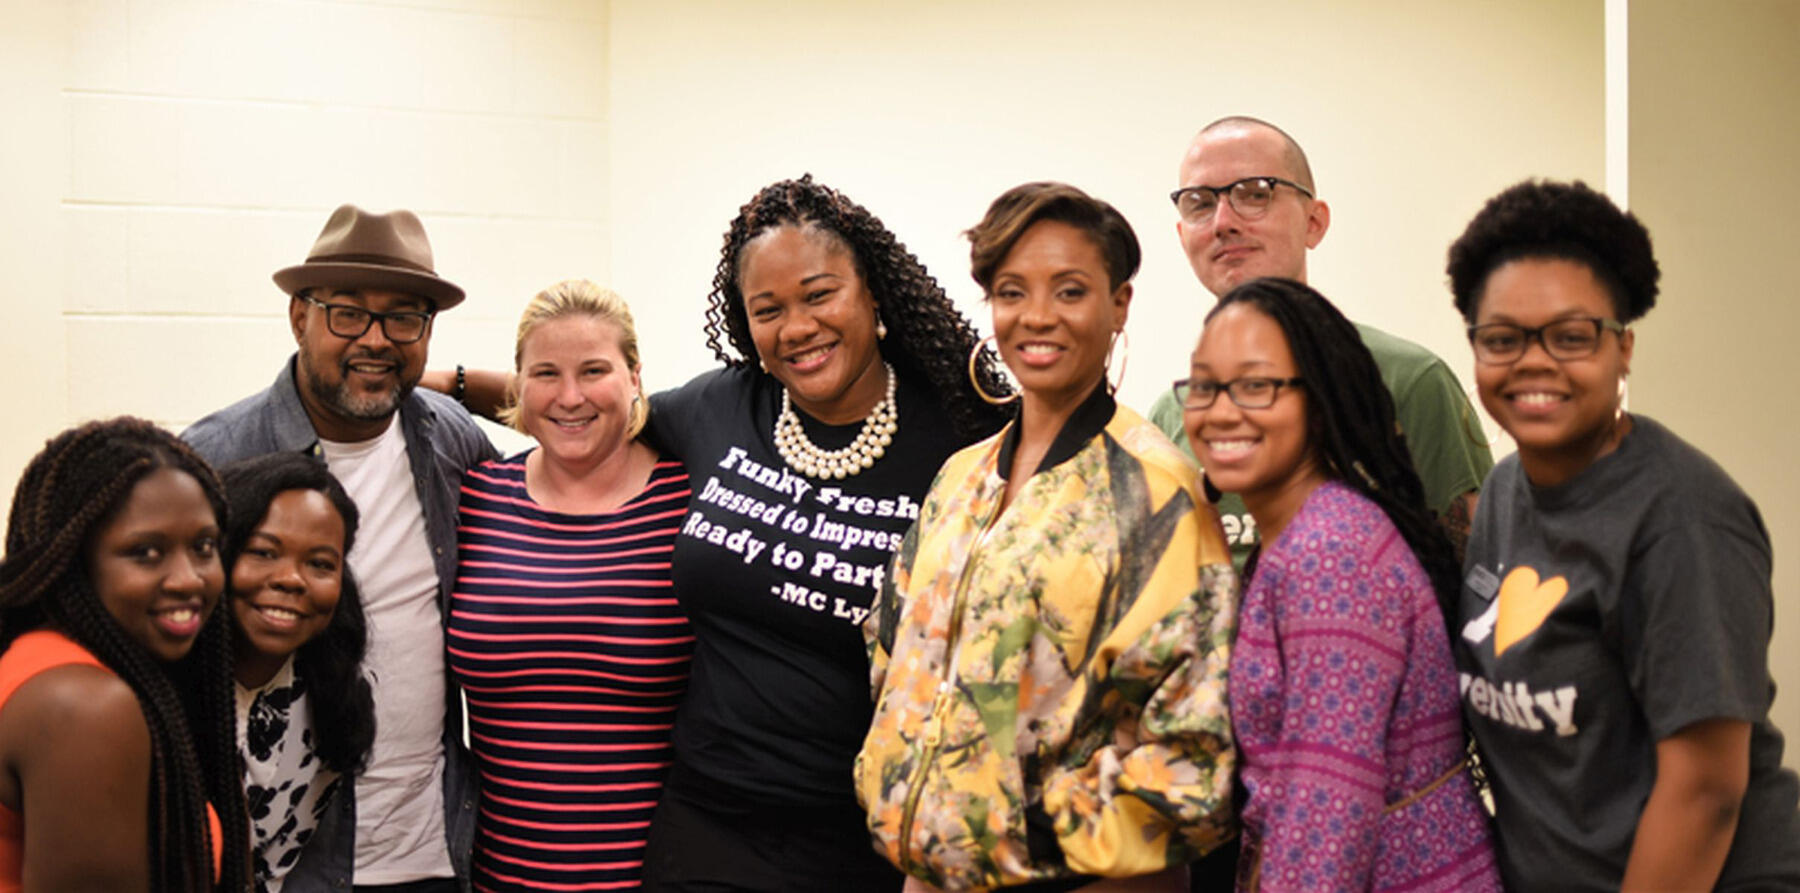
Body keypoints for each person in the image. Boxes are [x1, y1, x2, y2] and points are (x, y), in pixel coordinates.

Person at [635, 175, 1011, 892]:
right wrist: (429, 381)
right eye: (767, 309)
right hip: (706, 827)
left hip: (870, 839)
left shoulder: (964, 433)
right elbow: (583, 407)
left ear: (872, 295)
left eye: (818, 294)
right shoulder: (722, 405)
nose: (796, 327)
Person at [858, 182, 1237, 892]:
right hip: (934, 875)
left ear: (1119, 304)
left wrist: (1013, 834)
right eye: (1011, 291)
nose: (1037, 317)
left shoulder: (1158, 492)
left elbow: (1194, 749)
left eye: (1069, 291)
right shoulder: (959, 478)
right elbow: (894, 660)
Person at [1446, 179, 1800, 889]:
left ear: (1624, 348)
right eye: (1504, 338)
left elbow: (1705, 792)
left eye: (1572, 336)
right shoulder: (1507, 492)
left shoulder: (1682, 517)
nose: (1535, 361)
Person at [185, 204, 496, 892]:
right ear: (300, 317)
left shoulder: (451, 440)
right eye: (349, 313)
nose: (377, 339)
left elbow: (569, 429)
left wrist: (476, 384)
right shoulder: (213, 459)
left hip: (439, 848)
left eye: (404, 317)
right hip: (285, 861)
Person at [1183, 278, 1499, 891]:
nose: (1221, 411)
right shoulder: (1305, 533)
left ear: (1321, 403)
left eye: (1256, 385)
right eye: (1204, 386)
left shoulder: (1331, 556)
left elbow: (1326, 819)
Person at [1146, 116, 1492, 564]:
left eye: (1255, 194)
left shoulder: (1409, 380)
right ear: (1182, 237)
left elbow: (1478, 587)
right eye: (1199, 203)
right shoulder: (1171, 416)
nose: (1223, 221)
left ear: (1314, 222)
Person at [447, 280, 693, 890]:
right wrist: (433, 380)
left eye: (594, 370)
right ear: (517, 385)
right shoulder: (477, 497)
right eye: (546, 374)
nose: (570, 397)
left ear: (636, 376)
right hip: (497, 875)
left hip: (653, 877)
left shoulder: (688, 502)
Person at [0, 417, 250, 891]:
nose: (188, 578)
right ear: (73, 561)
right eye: (145, 552)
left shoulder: (54, 663)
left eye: (204, 546)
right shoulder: (83, 706)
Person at [219, 452, 377, 892]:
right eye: (264, 552)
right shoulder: (149, 699)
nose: (291, 579)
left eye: (320, 564)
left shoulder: (333, 701)